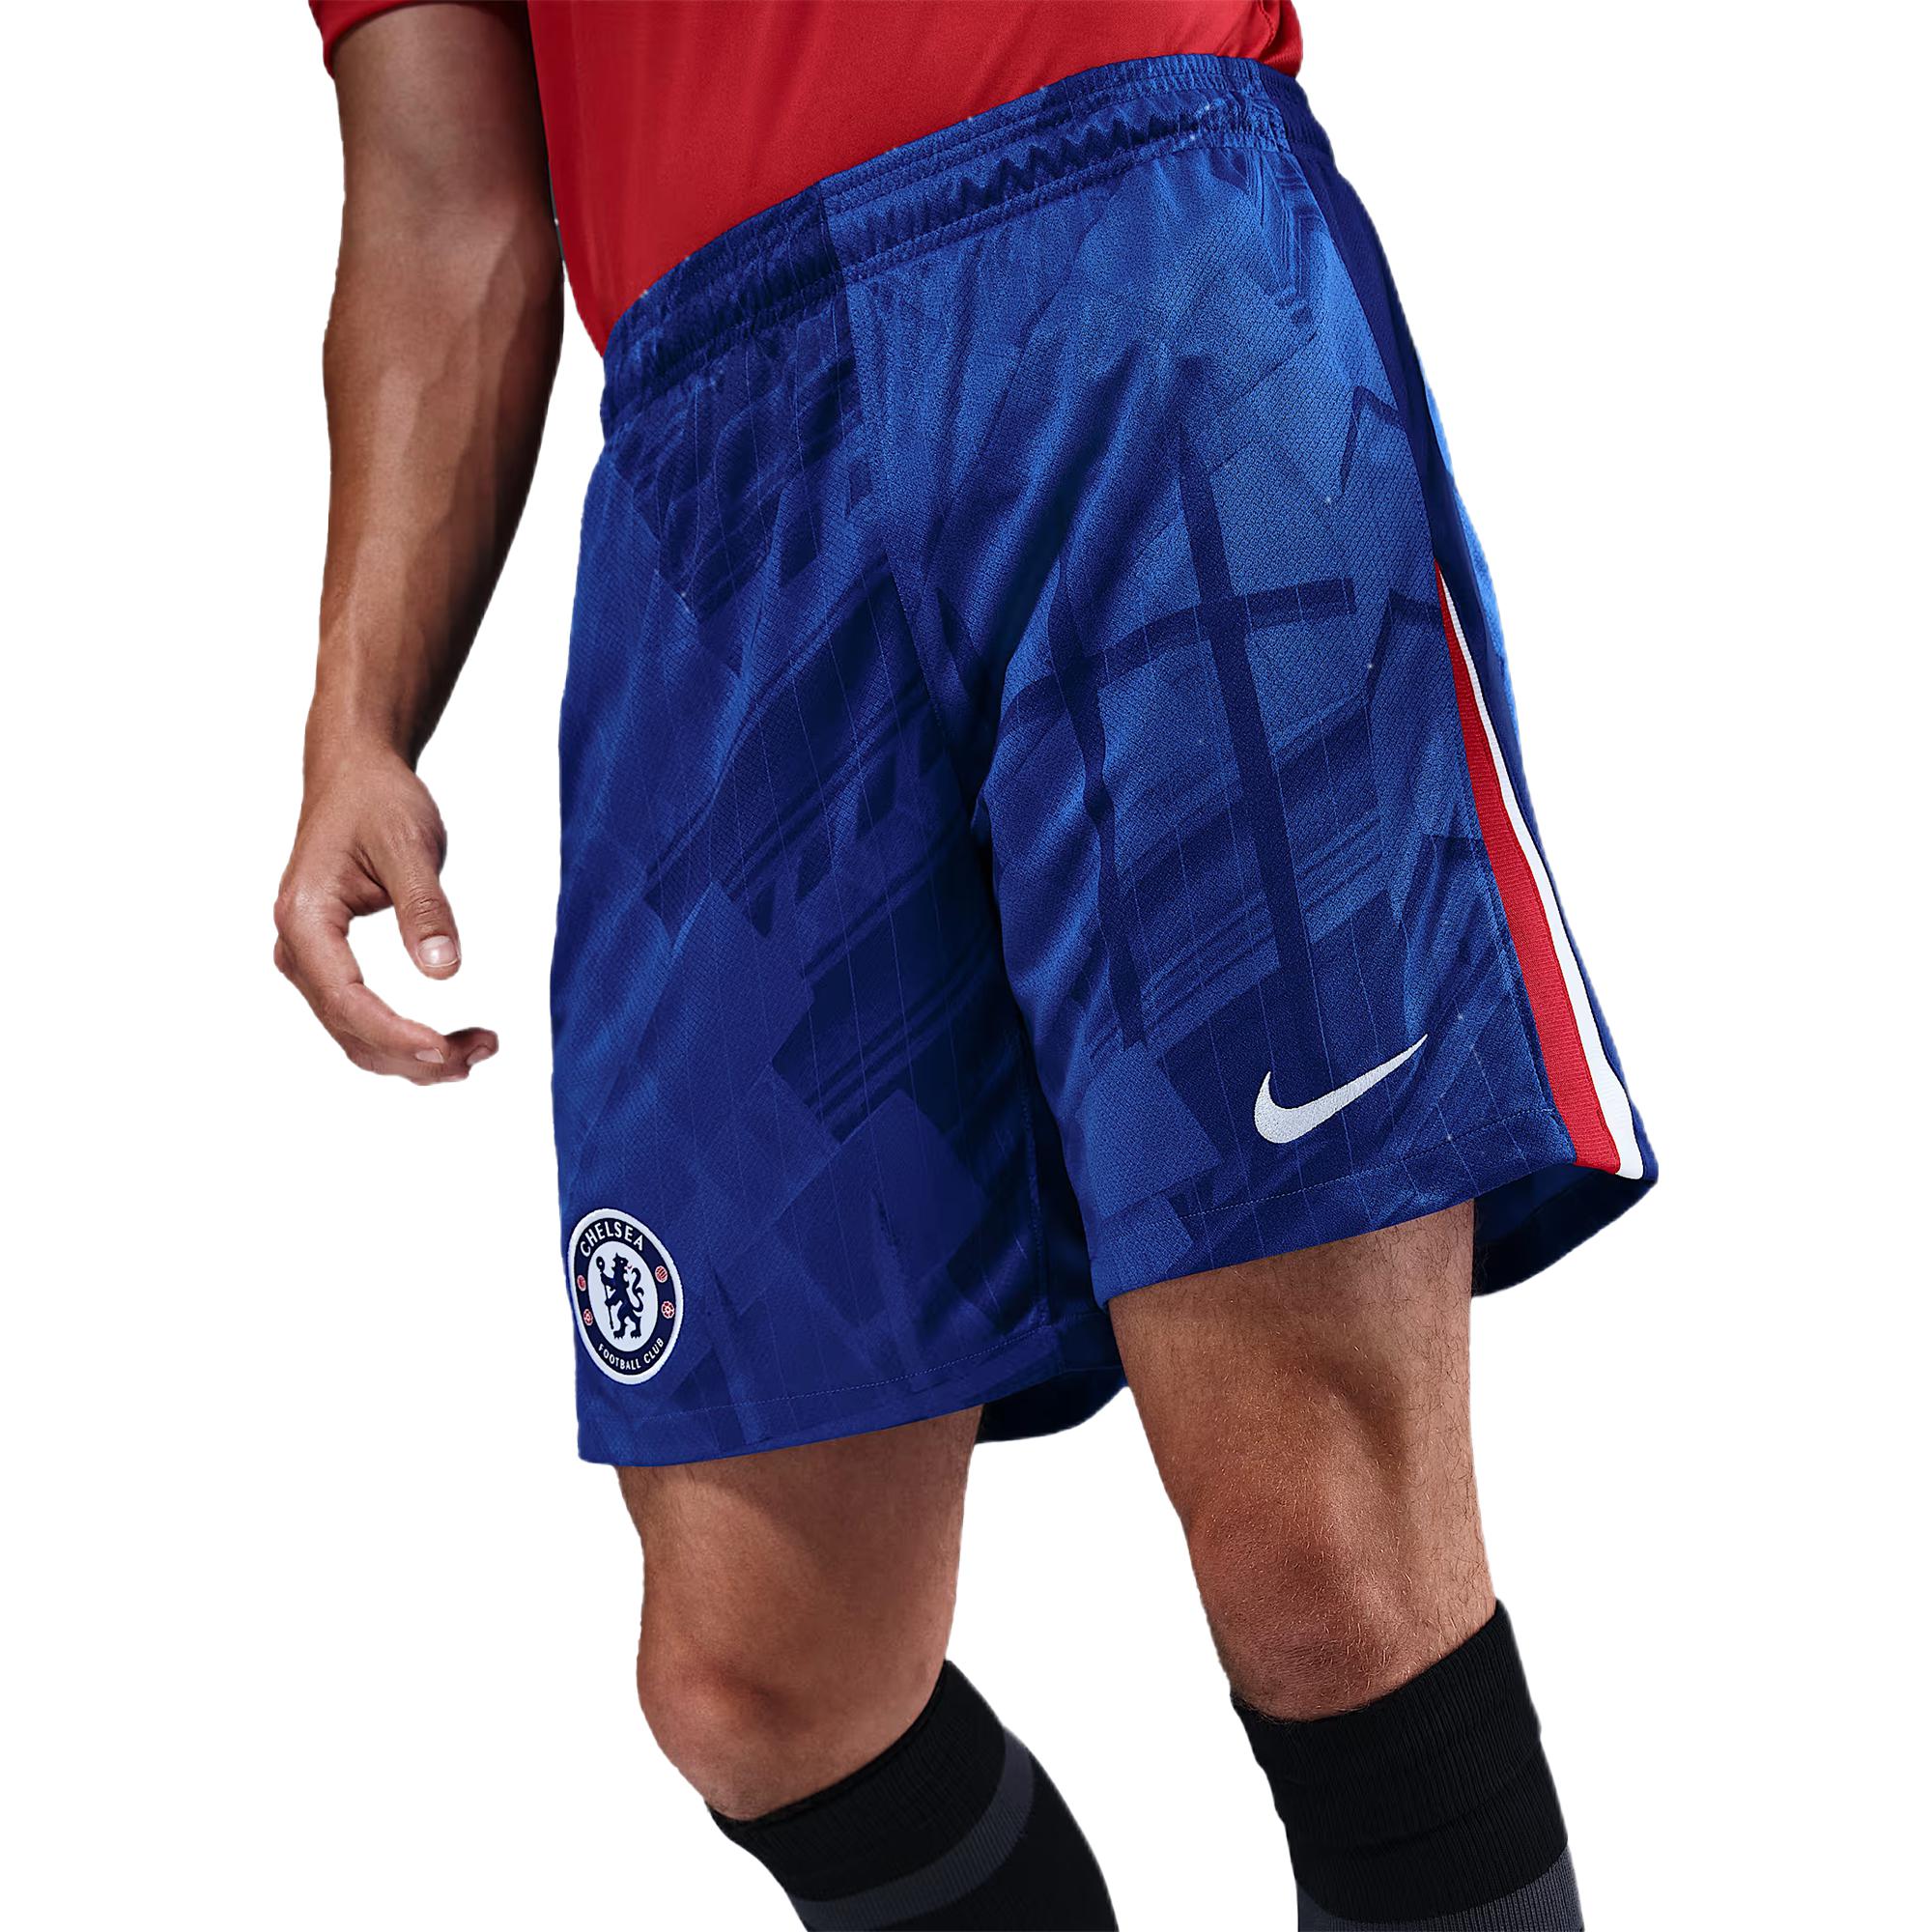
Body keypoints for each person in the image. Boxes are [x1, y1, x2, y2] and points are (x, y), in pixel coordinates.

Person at [279, 5, 1655, 1925]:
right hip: (717, 465)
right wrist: (359, 715)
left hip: (1130, 254)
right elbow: (448, 201)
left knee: (1320, 1558)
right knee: (762, 1678)